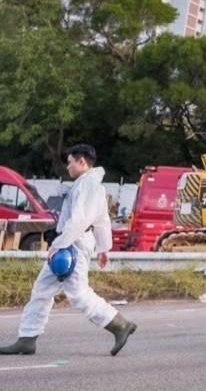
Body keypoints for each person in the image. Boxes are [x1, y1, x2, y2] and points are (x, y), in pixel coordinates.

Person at [0, 144, 137, 357]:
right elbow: (102, 220)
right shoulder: (87, 184)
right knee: (42, 289)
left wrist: (58, 245)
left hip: (73, 244)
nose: (68, 166)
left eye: (70, 162)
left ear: (82, 162)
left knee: (78, 293)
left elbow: (81, 220)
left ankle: (119, 324)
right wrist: (103, 248)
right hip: (73, 242)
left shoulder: (88, 186)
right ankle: (27, 339)